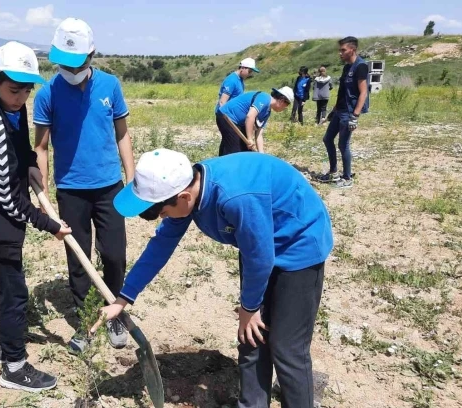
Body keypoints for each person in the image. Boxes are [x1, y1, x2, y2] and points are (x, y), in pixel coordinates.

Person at [95, 148, 334, 408]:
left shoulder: (234, 198)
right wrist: (123, 299)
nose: (163, 218)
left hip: (299, 244)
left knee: (287, 348)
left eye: (162, 213)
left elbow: (261, 257)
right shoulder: (186, 191)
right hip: (258, 243)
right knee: (251, 337)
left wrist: (249, 307)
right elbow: (160, 246)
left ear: (184, 197)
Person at [0, 41, 71, 392]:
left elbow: (19, 145)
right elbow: (9, 199)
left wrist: (28, 163)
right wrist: (50, 224)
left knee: (2, 278)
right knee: (15, 292)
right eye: (14, 89)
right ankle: (14, 365)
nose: (22, 96)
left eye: (27, 89)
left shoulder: (11, 107)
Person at [33, 17, 135, 353]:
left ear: (92, 55)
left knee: (114, 254)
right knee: (79, 260)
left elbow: (122, 134)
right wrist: (43, 191)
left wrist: (131, 178)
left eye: (76, 62)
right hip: (71, 189)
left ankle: (115, 313)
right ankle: (85, 318)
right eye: (63, 62)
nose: (69, 68)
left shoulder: (110, 85)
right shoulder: (47, 93)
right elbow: (42, 146)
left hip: (110, 186)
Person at [319, 36, 370, 189]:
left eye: (343, 50)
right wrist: (331, 113)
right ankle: (334, 172)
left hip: (349, 113)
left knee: (343, 144)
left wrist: (355, 116)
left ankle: (347, 177)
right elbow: (342, 93)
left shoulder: (361, 66)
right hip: (340, 110)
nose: (340, 53)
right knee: (327, 139)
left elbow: (363, 93)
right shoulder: (347, 67)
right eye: (340, 50)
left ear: (352, 50)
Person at [216, 87, 293, 155]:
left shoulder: (267, 112)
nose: (285, 108)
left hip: (239, 123)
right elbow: (250, 116)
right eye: (286, 105)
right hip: (227, 117)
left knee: (245, 150)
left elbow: (259, 133)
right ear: (282, 100)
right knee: (235, 152)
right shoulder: (265, 98)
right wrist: (249, 138)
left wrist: (261, 153)